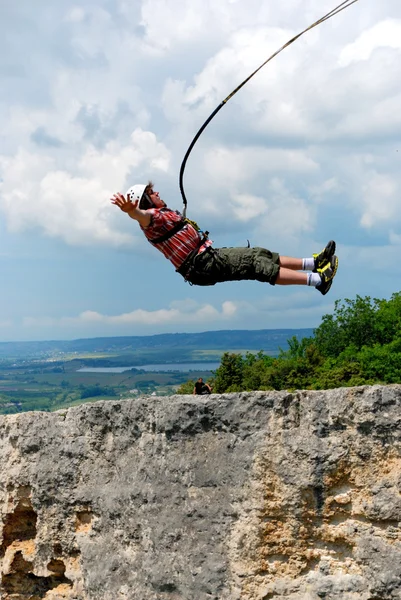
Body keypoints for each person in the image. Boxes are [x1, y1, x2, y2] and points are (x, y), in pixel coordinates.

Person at [111, 182, 338, 295]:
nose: (157, 193)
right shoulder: (151, 219)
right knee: (255, 265)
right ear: (146, 201)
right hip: (201, 265)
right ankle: (318, 280)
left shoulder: (162, 215)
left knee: (258, 254)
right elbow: (141, 217)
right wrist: (131, 211)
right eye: (152, 193)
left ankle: (314, 262)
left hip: (207, 258)